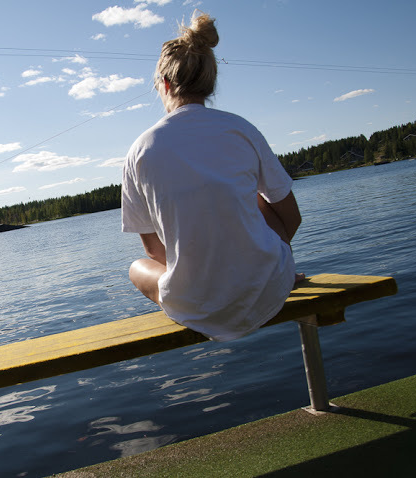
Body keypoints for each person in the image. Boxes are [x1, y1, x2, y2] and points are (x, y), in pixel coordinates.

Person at [121, 12, 303, 342]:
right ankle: (265, 270)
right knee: (258, 194)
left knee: (137, 268)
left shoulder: (140, 150)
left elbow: (153, 250)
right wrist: (269, 269)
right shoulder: (241, 130)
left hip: (194, 305)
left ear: (164, 84)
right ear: (210, 82)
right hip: (269, 288)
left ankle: (195, 291)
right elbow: (291, 217)